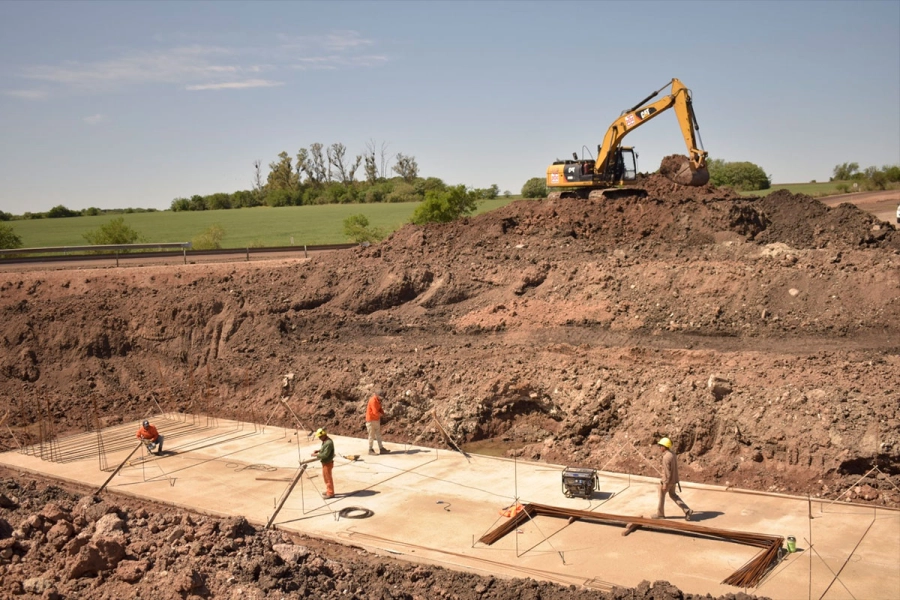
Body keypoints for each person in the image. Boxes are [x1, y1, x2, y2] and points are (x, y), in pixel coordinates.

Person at [652, 437, 692, 521]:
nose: (659, 447)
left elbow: (667, 472)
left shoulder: (666, 457)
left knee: (661, 496)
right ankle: (687, 510)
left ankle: (660, 514)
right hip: (674, 480)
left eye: (660, 446)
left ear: (664, 446)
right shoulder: (673, 454)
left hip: (668, 481)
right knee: (673, 495)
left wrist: (665, 483)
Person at [311, 428, 335, 499]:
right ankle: (328, 490)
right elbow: (324, 449)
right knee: (326, 478)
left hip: (328, 463)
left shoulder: (328, 443)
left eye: (320, 437)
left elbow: (325, 455)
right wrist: (319, 451)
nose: (319, 438)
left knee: (328, 478)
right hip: (325, 463)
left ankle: (330, 493)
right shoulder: (325, 441)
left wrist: (316, 455)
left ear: (324, 435)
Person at [365, 390, 390, 455]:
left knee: (378, 434)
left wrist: (383, 413)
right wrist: (381, 415)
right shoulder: (373, 401)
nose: (382, 398)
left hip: (376, 420)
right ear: (377, 395)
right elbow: (375, 412)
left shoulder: (378, 400)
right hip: (371, 420)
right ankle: (370, 449)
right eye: (381, 397)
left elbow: (379, 408)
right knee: (371, 435)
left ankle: (381, 449)